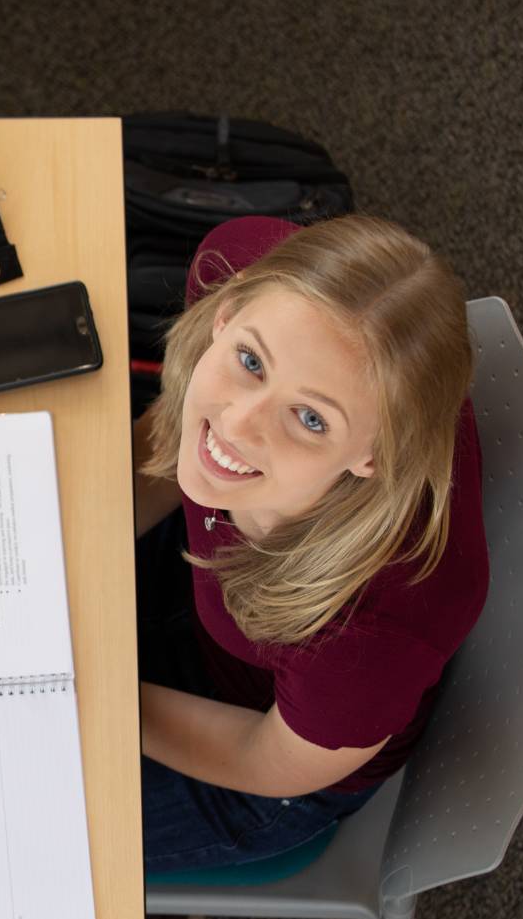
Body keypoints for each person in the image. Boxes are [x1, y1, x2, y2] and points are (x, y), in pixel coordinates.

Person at [132, 212, 488, 884]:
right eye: (249, 360)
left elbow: (263, 760)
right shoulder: (238, 264)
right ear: (226, 312)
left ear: (373, 458)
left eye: (310, 417)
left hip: (264, 744)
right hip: (212, 596)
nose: (238, 423)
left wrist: (85, 698)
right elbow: (179, 422)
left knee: (1, 832)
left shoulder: (374, 634)